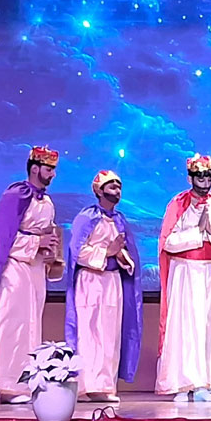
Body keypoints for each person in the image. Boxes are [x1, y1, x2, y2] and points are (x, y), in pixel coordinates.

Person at [0, 146, 66, 403]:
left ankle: (22, 384)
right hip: (15, 269)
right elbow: (2, 236)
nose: (53, 174)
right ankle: (0, 381)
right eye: (48, 169)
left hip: (35, 270)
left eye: (54, 169)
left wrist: (51, 251)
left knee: (30, 325)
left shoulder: (47, 202)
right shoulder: (17, 194)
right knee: (10, 323)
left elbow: (46, 235)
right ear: (35, 168)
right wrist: (36, 243)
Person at [156, 153, 211, 402]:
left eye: (208, 177)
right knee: (186, 326)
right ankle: (183, 384)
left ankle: (205, 384)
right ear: (190, 178)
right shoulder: (178, 204)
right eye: (200, 177)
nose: (205, 182)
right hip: (186, 272)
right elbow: (168, 242)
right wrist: (198, 233)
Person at [64, 170, 142, 403]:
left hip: (112, 282)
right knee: (90, 332)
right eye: (112, 187)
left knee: (110, 334)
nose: (117, 191)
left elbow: (124, 252)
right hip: (90, 281)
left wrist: (121, 256)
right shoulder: (87, 217)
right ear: (99, 190)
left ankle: (105, 385)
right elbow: (77, 252)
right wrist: (106, 252)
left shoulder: (120, 220)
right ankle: (86, 386)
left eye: (119, 187)